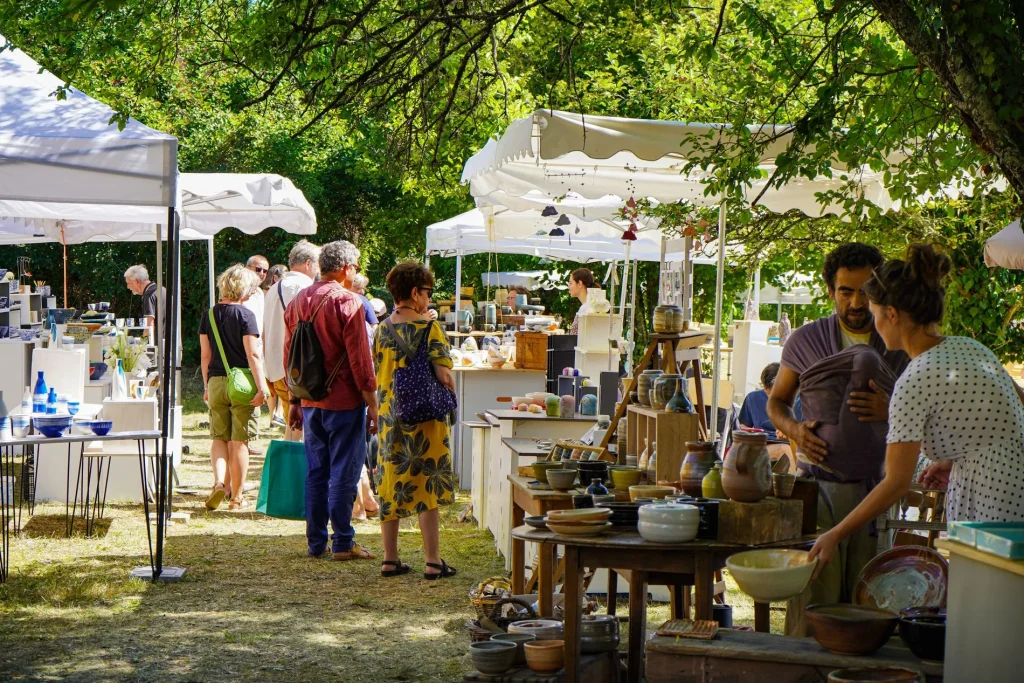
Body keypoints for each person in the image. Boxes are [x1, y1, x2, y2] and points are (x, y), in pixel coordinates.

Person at [809, 245, 1024, 571]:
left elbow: (896, 482)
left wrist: (836, 533)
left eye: (876, 312)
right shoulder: (970, 348)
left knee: (992, 606)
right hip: (1012, 482)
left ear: (892, 314)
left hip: (994, 503)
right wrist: (961, 457)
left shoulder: (916, 377)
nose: (874, 322)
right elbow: (1009, 411)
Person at [767, 243, 909, 632]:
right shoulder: (806, 340)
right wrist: (795, 430)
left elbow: (922, 411)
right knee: (816, 596)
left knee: (870, 599)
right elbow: (777, 402)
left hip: (877, 490)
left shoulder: (898, 342)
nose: (856, 301)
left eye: (866, 290)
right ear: (831, 290)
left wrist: (890, 410)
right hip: (820, 488)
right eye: (846, 290)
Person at [284, 240, 378, 561]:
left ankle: (315, 543)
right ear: (345, 268)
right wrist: (373, 404)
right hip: (344, 400)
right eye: (356, 267)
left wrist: (294, 402)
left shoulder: (297, 302)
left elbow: (290, 358)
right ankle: (342, 542)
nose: (356, 273)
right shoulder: (348, 302)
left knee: (316, 472)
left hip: (310, 401)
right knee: (343, 472)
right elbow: (361, 363)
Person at [374, 261, 457, 580]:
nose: (429, 298)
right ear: (414, 292)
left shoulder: (381, 328)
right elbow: (443, 373)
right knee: (427, 485)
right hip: (423, 418)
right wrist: (448, 385)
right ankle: (433, 560)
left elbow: (378, 367)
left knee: (391, 481)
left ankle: (390, 559)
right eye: (427, 292)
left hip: (390, 416)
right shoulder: (429, 327)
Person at [199, 264, 269, 511]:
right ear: (243, 289)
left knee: (219, 437)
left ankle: (219, 483)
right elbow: (253, 354)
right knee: (239, 441)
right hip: (242, 384)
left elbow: (205, 356)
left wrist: (207, 385)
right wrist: (262, 387)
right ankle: (236, 498)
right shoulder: (246, 315)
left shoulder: (209, 314)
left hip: (216, 382)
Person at [265, 241, 320, 440]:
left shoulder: (274, 287)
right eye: (318, 264)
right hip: (295, 367)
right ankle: (295, 469)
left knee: (293, 423)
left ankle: (289, 467)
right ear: (308, 263)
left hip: (276, 366)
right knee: (301, 427)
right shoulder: (303, 287)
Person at [124, 265, 165, 343]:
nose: (128, 287)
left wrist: (141, 345)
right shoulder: (162, 289)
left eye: (128, 283)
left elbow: (149, 325)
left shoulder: (148, 295)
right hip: (174, 345)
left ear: (136, 281)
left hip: (160, 348)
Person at [242, 255, 269, 336]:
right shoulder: (238, 290)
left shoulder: (260, 292)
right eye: (258, 269)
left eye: (265, 271)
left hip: (257, 343)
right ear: (247, 268)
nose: (262, 273)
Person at [568, 267, 596, 334]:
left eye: (571, 283)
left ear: (580, 284)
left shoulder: (586, 308)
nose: (568, 286)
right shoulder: (590, 305)